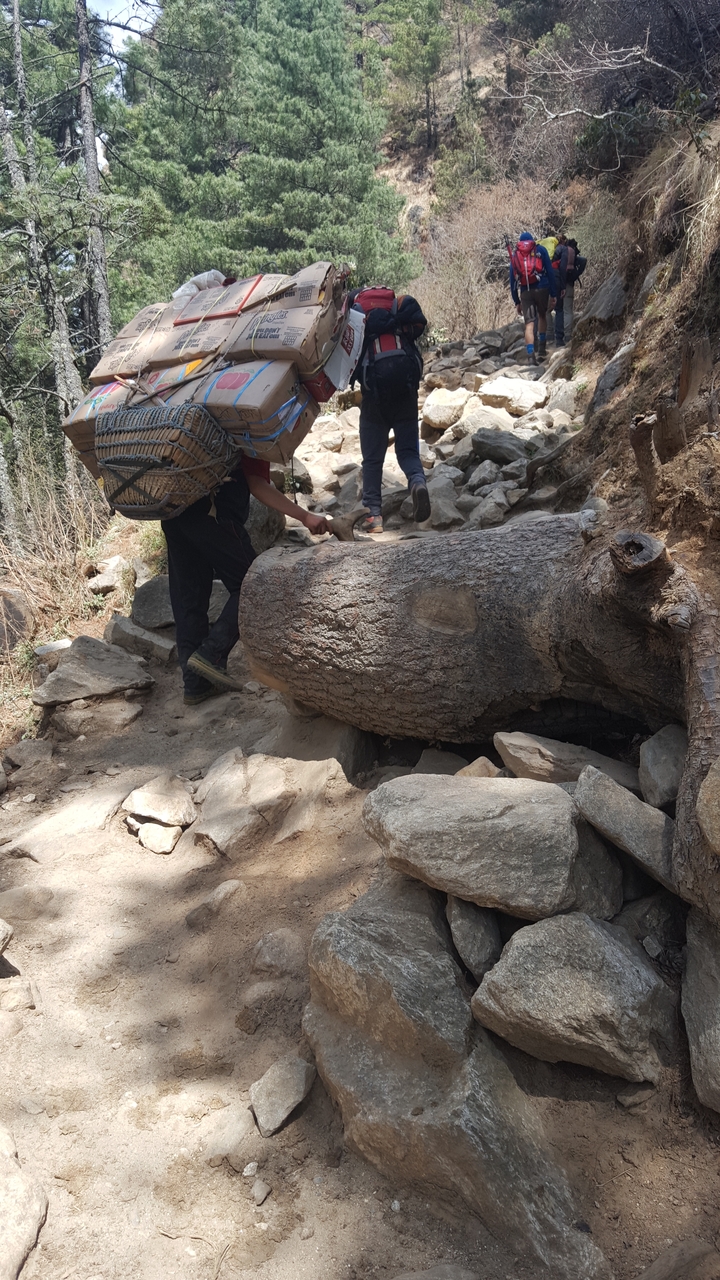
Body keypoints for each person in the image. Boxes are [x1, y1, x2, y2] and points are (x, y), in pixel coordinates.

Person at [163, 456, 328, 705]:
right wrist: (305, 517)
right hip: (214, 513)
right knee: (254, 586)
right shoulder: (246, 424)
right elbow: (257, 484)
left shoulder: (194, 425)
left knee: (189, 599)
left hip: (173, 514)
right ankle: (211, 654)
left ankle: (196, 685)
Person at [350, 288, 431, 535]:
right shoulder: (399, 308)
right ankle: (417, 482)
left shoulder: (356, 315)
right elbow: (420, 328)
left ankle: (373, 515)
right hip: (405, 392)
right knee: (407, 451)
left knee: (373, 459)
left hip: (374, 395)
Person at [508, 232, 556, 365]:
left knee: (529, 325)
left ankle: (530, 356)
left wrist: (516, 300)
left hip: (525, 290)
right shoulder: (540, 250)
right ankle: (541, 349)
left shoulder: (516, 255)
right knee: (542, 316)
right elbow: (550, 272)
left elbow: (512, 279)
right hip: (542, 287)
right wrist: (553, 293)